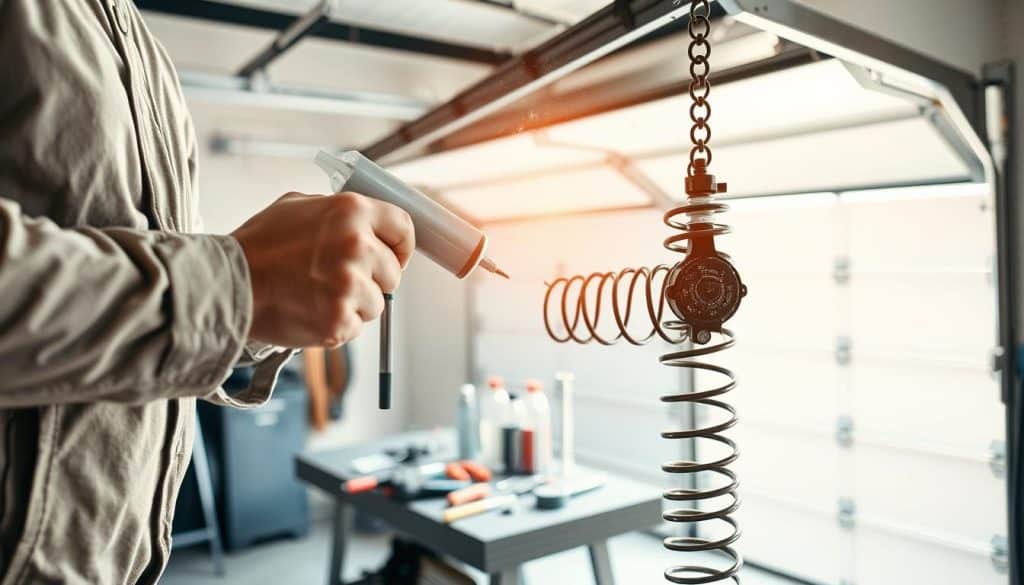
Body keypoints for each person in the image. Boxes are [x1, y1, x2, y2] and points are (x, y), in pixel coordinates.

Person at [0, 2, 414, 583]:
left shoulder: (148, 59)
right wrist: (239, 283)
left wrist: (258, 309)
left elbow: (168, 309)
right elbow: (206, 288)